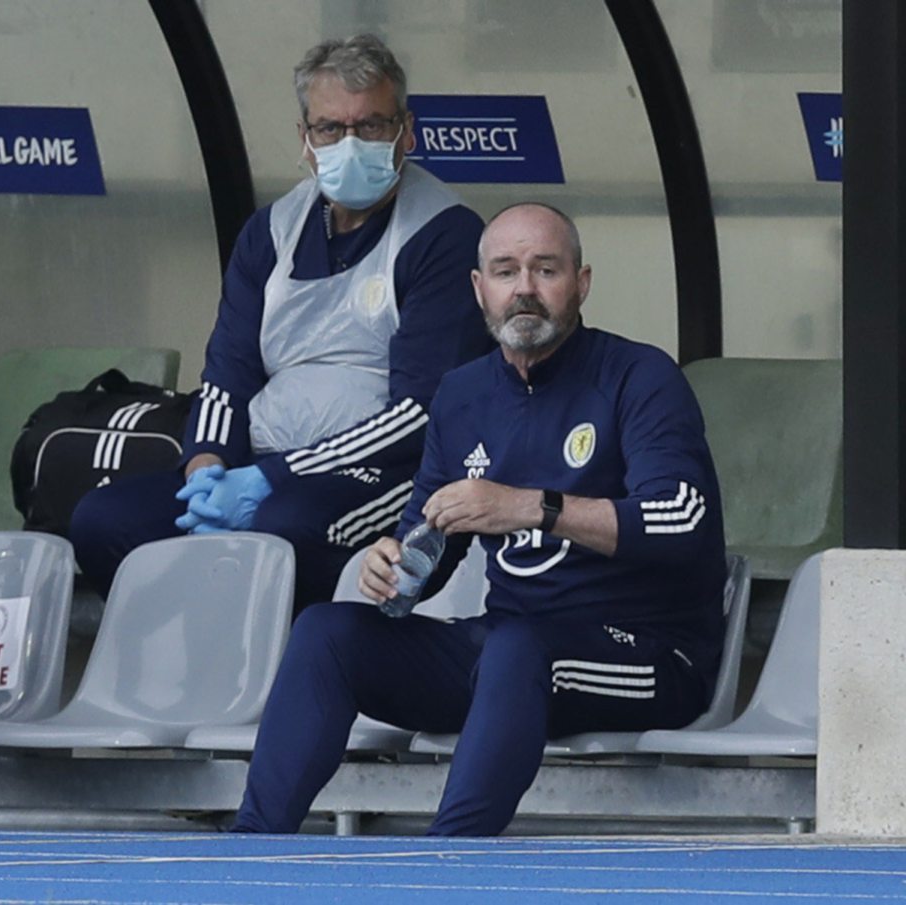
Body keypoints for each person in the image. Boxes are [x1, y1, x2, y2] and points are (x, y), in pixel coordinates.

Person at [231, 202, 727, 836]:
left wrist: (532, 507)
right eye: (505, 271)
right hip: (509, 653)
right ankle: (250, 852)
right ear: (479, 289)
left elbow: (683, 520)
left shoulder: (638, 376)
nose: (524, 288)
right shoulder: (462, 394)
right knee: (329, 632)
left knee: (518, 646)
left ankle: (450, 864)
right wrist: (398, 570)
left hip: (647, 655)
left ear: (581, 283)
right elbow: (428, 545)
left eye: (545, 269)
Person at [70, 35, 492, 612]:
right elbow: (228, 372)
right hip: (258, 463)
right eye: (329, 128)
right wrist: (207, 469)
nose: (349, 143)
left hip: (382, 471)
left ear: (406, 132)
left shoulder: (444, 233)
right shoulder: (271, 230)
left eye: (371, 126)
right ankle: (198, 664)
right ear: (305, 138)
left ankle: (286, 670)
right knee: (104, 521)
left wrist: (277, 477)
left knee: (286, 524)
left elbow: (423, 412)